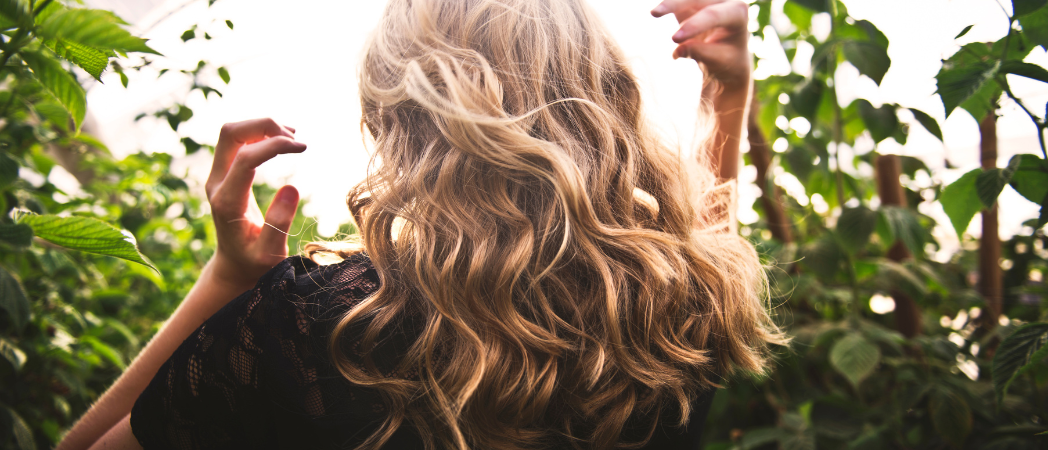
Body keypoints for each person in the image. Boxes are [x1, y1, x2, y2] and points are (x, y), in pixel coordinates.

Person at [58, 0, 783, 448]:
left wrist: (228, 280)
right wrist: (725, 94)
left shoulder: (322, 328)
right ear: (600, 92)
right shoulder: (677, 305)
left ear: (397, 119)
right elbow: (699, 240)